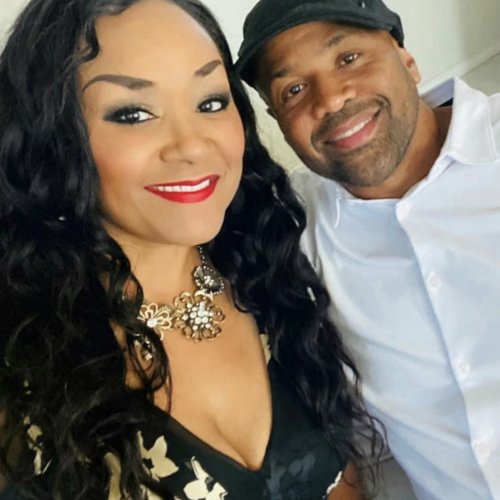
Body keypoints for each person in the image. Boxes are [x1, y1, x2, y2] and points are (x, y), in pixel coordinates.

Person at [0, 0, 384, 498]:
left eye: (210, 102)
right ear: (51, 139)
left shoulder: (270, 271)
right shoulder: (22, 354)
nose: (191, 145)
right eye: (133, 113)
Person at [236, 0, 500, 499]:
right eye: (294, 90)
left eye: (349, 58)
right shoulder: (289, 231)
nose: (331, 98)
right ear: (278, 120)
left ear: (406, 59)